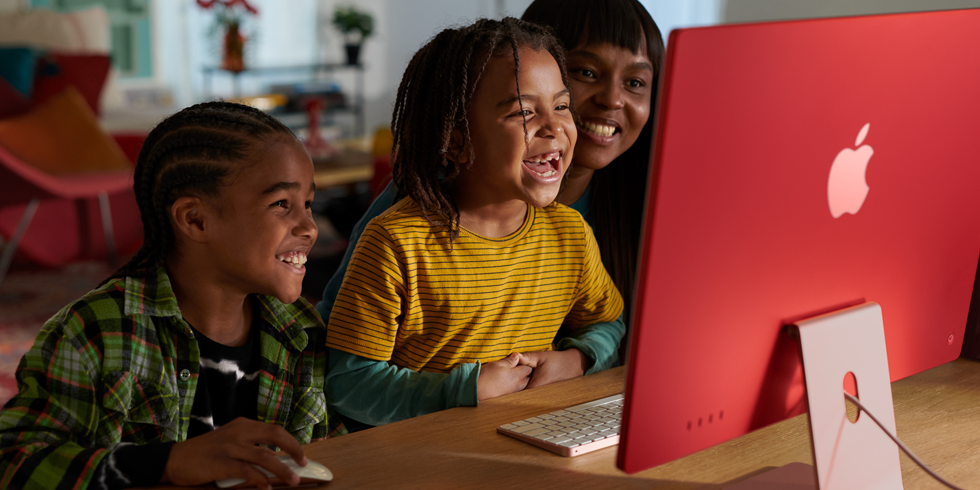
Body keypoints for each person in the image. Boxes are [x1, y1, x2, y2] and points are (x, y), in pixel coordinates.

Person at [0, 102, 345, 490]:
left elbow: (334, 456)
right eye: (282, 204)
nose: (310, 227)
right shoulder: (96, 333)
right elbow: (14, 461)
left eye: (309, 204)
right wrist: (169, 462)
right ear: (195, 219)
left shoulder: (302, 332)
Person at [324, 17, 625, 429]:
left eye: (561, 106)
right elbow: (348, 384)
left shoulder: (570, 235)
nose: (554, 127)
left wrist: (578, 359)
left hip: (528, 445)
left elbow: (607, 321)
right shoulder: (395, 243)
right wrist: (463, 391)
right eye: (523, 111)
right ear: (455, 139)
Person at [317, 0, 664, 352]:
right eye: (586, 72)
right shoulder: (418, 209)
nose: (612, 99)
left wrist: (578, 357)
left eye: (635, 81)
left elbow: (608, 324)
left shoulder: (604, 217)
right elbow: (343, 349)